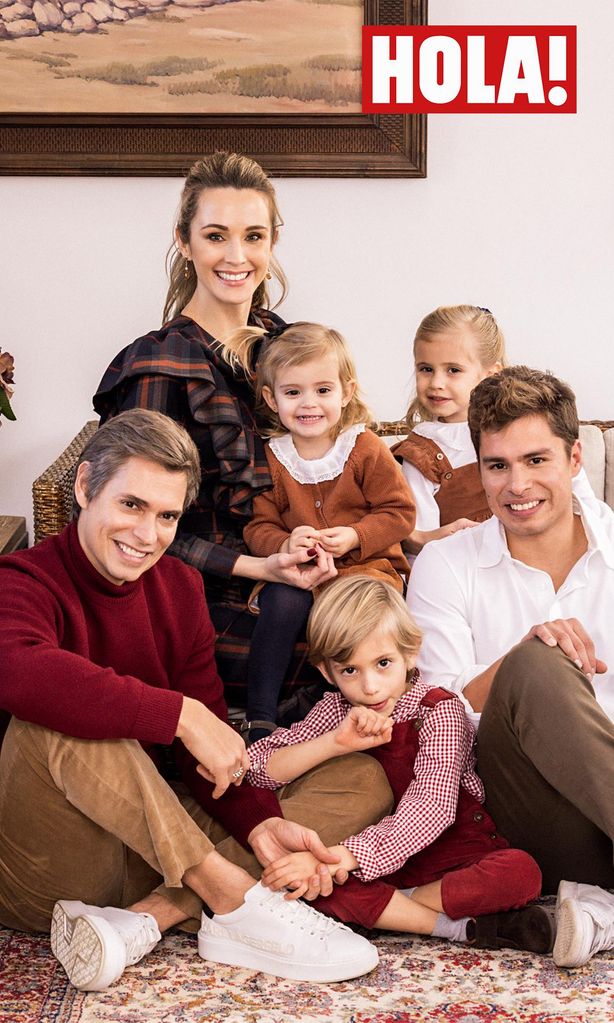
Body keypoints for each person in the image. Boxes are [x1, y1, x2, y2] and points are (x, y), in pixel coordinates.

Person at [0, 409, 393, 991]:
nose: (146, 535)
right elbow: (18, 672)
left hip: (151, 848)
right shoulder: (21, 579)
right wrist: (179, 714)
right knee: (59, 722)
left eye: (165, 516)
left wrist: (258, 826)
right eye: (130, 505)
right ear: (84, 487)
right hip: (54, 864)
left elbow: (202, 756)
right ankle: (231, 898)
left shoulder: (179, 589)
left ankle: (151, 917)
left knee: (360, 778)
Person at [93, 152, 325, 708]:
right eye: (216, 235)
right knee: (351, 655)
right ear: (184, 239)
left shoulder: (286, 347)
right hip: (202, 598)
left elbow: (337, 462)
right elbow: (126, 526)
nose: (237, 256)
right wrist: (259, 567)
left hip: (292, 566)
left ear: (273, 242)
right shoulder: (160, 366)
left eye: (253, 236)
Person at [406, 365, 614, 969]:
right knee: (534, 666)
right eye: (498, 466)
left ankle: (597, 909)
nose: (517, 484)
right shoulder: (446, 563)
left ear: (575, 458)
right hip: (525, 816)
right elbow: (432, 715)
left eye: (536, 460)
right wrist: (522, 659)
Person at [246, 576, 553, 953]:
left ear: (410, 654)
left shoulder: (439, 711)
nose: (370, 687)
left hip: (456, 855)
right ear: (327, 672)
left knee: (522, 873)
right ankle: (451, 926)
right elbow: (255, 767)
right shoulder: (334, 712)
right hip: (376, 865)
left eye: (383, 663)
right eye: (349, 671)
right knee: (300, 884)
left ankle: (394, 908)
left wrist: (342, 858)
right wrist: (332, 743)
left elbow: (431, 808)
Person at [235, 321, 415, 743]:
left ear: (346, 392)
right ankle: (260, 715)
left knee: (358, 616)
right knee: (282, 599)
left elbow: (399, 511)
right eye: (293, 392)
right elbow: (257, 524)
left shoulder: (364, 448)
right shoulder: (272, 459)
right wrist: (285, 543)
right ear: (271, 398)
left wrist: (354, 535)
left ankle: (353, 700)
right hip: (302, 573)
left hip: (365, 569)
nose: (308, 403)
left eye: (322, 390)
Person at [392, 305, 505, 555]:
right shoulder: (422, 451)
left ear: (489, 375)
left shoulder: (515, 431)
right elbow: (419, 547)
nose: (436, 383)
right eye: (426, 369)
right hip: (460, 571)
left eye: (453, 370)